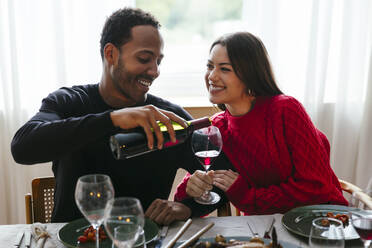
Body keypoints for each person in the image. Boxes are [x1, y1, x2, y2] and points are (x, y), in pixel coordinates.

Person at [11, 7, 223, 224]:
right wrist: (113, 119)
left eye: (158, 61)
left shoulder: (168, 119)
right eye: (144, 58)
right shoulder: (70, 101)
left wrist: (185, 208)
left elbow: (223, 180)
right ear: (110, 53)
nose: (154, 71)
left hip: (141, 239)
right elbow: (22, 147)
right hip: (71, 241)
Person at [174, 32, 348, 215]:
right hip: (262, 229)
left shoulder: (285, 109)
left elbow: (315, 188)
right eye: (210, 66)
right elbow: (193, 196)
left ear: (250, 74)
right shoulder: (218, 128)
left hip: (322, 219)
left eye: (224, 69)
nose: (212, 76)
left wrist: (248, 197)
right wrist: (191, 189)